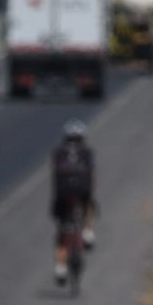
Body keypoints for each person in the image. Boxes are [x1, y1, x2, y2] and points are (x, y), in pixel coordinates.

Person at [51, 119, 97, 284]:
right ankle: (88, 232)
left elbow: (55, 177)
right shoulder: (86, 152)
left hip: (63, 193)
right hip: (83, 191)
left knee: (61, 230)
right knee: (89, 205)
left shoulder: (59, 152)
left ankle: (60, 267)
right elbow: (91, 174)